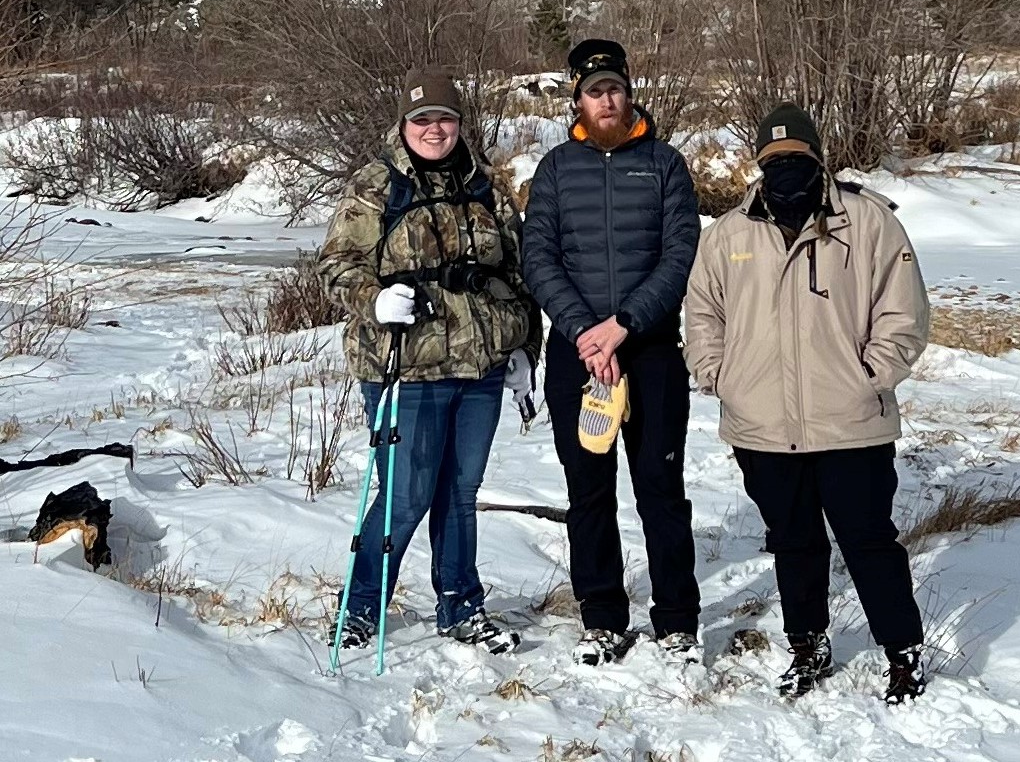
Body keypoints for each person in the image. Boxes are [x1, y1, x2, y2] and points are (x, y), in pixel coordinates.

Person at [683, 102, 929, 703]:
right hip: (762, 425)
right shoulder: (728, 235)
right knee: (793, 542)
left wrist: (869, 374)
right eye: (774, 159)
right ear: (759, 164)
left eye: (797, 158)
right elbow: (702, 313)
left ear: (818, 158)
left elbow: (905, 313)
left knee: (868, 541)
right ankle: (807, 645)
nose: (785, 168)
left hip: (851, 423)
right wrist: (720, 376)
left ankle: (902, 652)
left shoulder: (868, 222)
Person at [320, 64, 541, 654]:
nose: (434, 129)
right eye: (422, 119)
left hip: (481, 370)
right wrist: (375, 300)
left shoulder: (485, 186)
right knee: (406, 493)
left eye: (444, 117)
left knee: (461, 493)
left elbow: (518, 273)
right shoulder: (376, 185)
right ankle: (361, 604)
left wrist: (524, 349)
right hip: (405, 367)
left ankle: (462, 606)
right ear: (404, 124)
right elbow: (335, 268)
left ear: (459, 123)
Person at [523, 38, 702, 666]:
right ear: (577, 98)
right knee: (589, 491)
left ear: (629, 94)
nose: (606, 99)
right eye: (594, 90)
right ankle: (601, 617)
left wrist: (624, 325)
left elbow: (680, 256)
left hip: (648, 350)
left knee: (660, 486)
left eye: (615, 89)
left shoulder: (665, 164)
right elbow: (537, 258)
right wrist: (584, 332)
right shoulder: (553, 170)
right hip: (580, 356)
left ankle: (677, 619)